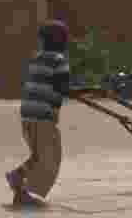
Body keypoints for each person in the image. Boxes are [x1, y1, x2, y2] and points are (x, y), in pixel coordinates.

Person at [5, 19, 78, 206]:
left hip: (27, 116)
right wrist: (88, 90)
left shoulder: (36, 58)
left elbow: (48, 83)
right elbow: (63, 87)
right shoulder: (59, 61)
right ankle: (26, 192)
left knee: (40, 156)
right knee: (51, 158)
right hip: (43, 118)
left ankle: (17, 176)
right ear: (62, 42)